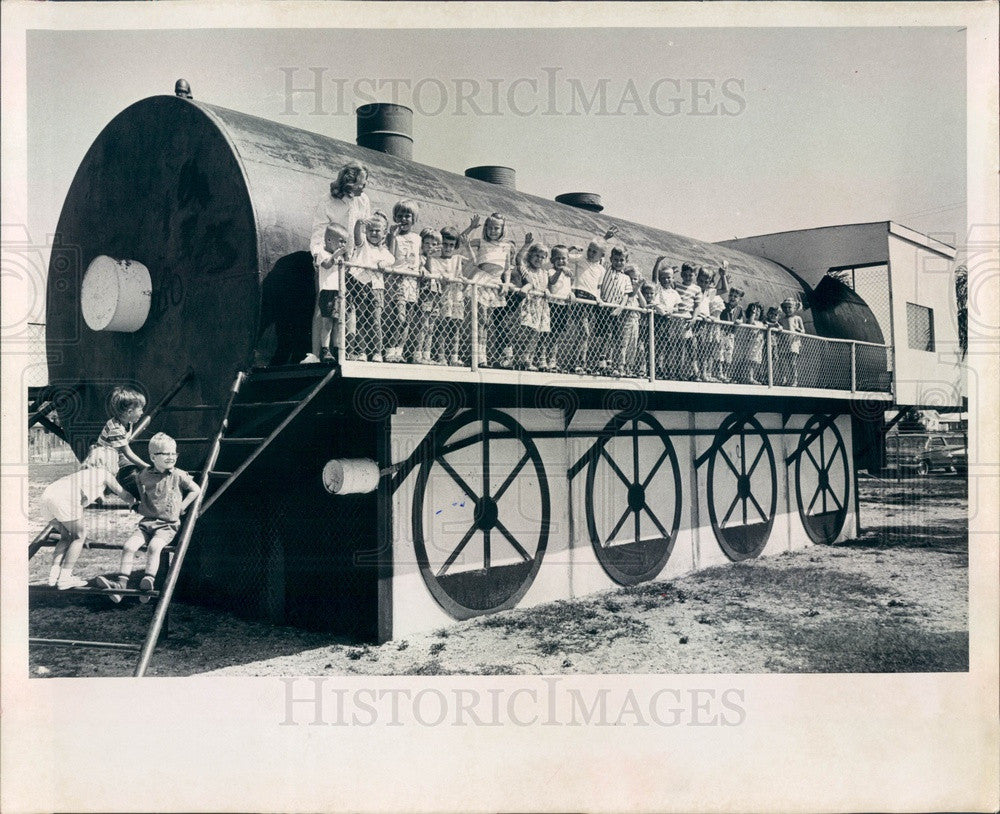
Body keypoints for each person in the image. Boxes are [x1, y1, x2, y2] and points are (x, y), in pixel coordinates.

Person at [96, 433, 200, 603]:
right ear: (153, 457)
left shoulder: (179, 475)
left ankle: (148, 582)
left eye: (174, 453)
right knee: (129, 547)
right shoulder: (144, 475)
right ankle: (121, 585)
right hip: (146, 523)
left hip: (168, 525)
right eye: (165, 454)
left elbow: (196, 490)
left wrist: (183, 506)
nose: (171, 457)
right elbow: (140, 489)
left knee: (154, 547)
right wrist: (136, 503)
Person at [39, 446, 137, 589]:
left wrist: (99, 497)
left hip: (48, 495)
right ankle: (65, 577)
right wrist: (134, 502)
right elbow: (123, 494)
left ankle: (53, 575)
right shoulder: (105, 474)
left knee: (66, 536)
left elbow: (93, 491)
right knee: (80, 535)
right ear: (111, 464)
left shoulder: (85, 473)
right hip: (65, 498)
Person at [307, 161, 372, 361]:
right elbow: (318, 237)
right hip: (332, 262)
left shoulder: (363, 201)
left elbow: (363, 234)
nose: (365, 187)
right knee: (324, 306)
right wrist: (324, 258)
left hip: (354, 262)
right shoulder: (327, 201)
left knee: (349, 307)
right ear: (350, 183)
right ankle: (316, 354)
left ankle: (344, 351)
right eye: (362, 183)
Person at [345, 212, 394, 362]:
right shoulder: (363, 245)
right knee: (360, 320)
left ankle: (377, 351)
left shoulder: (384, 252)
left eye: (377, 231)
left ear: (384, 233)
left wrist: (383, 264)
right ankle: (361, 351)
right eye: (371, 230)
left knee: (375, 321)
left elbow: (391, 260)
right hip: (360, 286)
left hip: (376, 288)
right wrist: (359, 223)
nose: (373, 233)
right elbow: (357, 236)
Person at [468, 213, 513, 367]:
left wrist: (506, 283)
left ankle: (483, 355)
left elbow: (507, 269)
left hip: (495, 283)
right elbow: (462, 241)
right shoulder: (481, 242)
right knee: (481, 320)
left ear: (502, 229)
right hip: (482, 279)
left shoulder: (506, 246)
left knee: (487, 322)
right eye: (490, 228)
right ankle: (478, 356)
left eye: (497, 228)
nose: (493, 231)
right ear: (486, 228)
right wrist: (471, 228)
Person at [385, 200, 422, 363]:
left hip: (412, 282)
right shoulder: (393, 237)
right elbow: (390, 257)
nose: (404, 219)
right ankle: (390, 350)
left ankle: (399, 351)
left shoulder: (417, 238)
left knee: (408, 319)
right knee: (399, 318)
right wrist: (392, 237)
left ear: (414, 218)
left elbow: (419, 257)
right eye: (400, 216)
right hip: (398, 280)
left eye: (408, 216)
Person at [436, 222, 476, 366]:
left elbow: (473, 261)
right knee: (442, 327)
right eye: (445, 244)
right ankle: (441, 356)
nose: (448, 248)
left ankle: (454, 356)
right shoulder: (436, 260)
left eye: (451, 245)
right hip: (444, 297)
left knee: (456, 327)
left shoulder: (457, 258)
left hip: (457, 297)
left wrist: (468, 246)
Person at [569, 238, 609, 374]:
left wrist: (599, 298)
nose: (591, 253)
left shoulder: (602, 270)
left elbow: (598, 287)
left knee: (585, 334)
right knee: (584, 332)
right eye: (590, 250)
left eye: (594, 252)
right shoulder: (581, 259)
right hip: (579, 296)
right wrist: (572, 248)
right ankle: (576, 362)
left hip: (591, 301)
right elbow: (565, 257)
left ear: (601, 256)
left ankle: (581, 362)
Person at [313, 223, 350, 363]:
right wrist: (336, 255)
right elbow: (327, 264)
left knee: (338, 322)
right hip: (328, 292)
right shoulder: (322, 253)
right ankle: (325, 349)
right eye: (340, 240)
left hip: (339, 292)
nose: (343, 244)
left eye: (344, 242)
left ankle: (336, 349)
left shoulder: (339, 257)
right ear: (329, 240)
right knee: (327, 322)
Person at [515, 241, 551, 370]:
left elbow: (546, 286)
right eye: (537, 255)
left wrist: (547, 291)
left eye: (542, 257)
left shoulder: (545, 273)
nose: (539, 259)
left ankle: (528, 359)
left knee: (536, 334)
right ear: (530, 255)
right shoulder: (527, 270)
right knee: (525, 331)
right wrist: (525, 245)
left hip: (541, 307)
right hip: (529, 305)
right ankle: (519, 357)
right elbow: (518, 260)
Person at [598, 246, 631, 374]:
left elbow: (626, 295)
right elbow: (600, 256)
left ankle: (609, 360)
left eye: (621, 260)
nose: (618, 263)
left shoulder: (626, 278)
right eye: (616, 260)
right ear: (611, 259)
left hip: (617, 310)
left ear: (625, 261)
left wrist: (620, 307)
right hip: (605, 307)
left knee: (614, 337)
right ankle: (601, 359)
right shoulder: (605, 269)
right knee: (605, 335)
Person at [415, 228, 444, 364]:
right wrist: (430, 257)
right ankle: (418, 354)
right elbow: (429, 271)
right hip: (425, 294)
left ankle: (427, 354)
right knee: (423, 325)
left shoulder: (439, 260)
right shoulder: (420, 259)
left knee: (431, 326)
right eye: (427, 243)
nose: (430, 247)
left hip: (436, 295)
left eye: (434, 244)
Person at [649, 258, 681, 379]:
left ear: (673, 278)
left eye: (669, 277)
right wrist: (657, 263)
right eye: (663, 278)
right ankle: (653, 367)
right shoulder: (658, 289)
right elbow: (654, 277)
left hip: (668, 322)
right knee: (655, 344)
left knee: (665, 346)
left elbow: (678, 308)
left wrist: (671, 310)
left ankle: (662, 368)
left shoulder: (674, 293)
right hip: (658, 320)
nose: (666, 280)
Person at [545, 245, 574, 372]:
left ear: (568, 260)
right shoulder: (551, 271)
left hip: (563, 306)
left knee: (556, 335)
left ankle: (552, 359)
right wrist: (560, 270)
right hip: (552, 305)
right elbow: (551, 282)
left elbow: (568, 287)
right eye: (558, 258)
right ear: (552, 260)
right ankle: (542, 358)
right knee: (547, 333)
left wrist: (571, 294)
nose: (561, 261)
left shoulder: (568, 274)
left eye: (563, 259)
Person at [673, 263, 703, 380]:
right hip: (676, 318)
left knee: (689, 346)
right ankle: (675, 370)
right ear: (681, 274)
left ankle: (691, 371)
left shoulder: (696, 289)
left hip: (686, 320)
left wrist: (694, 318)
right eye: (685, 275)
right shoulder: (677, 285)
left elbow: (697, 306)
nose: (687, 277)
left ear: (694, 275)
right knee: (675, 346)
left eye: (690, 275)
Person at [717, 278, 744, 382]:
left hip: (731, 335)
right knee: (720, 353)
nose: (732, 298)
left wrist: (739, 321)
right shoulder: (725, 305)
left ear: (740, 299)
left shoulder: (740, 309)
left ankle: (726, 373)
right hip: (723, 333)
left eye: (735, 296)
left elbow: (741, 318)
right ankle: (719, 373)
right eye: (731, 296)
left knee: (729, 354)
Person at [778, 296, 806, 386]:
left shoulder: (797, 318)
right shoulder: (781, 319)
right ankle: (783, 378)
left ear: (794, 308)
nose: (787, 309)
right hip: (783, 342)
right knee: (782, 361)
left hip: (793, 342)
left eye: (789, 307)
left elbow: (803, 331)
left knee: (792, 362)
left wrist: (799, 330)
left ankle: (794, 380)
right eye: (785, 307)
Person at [742, 302, 767, 384]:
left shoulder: (761, 323)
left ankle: (752, 377)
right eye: (754, 312)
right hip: (752, 344)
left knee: (756, 361)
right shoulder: (750, 321)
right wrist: (753, 313)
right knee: (750, 361)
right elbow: (751, 323)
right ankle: (750, 377)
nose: (756, 313)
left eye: (758, 311)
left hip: (759, 345)